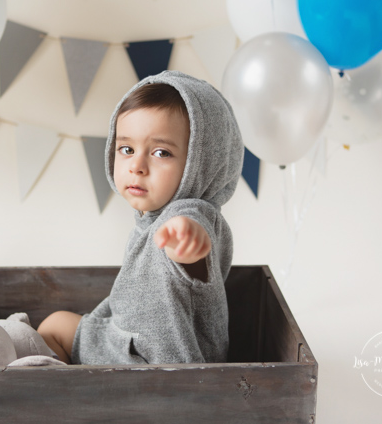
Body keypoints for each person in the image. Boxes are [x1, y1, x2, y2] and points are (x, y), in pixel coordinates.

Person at [37, 70, 244, 365]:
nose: (137, 165)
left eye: (161, 152)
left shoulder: (188, 213)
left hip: (159, 367)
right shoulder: (151, 217)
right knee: (56, 324)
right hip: (131, 344)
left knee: (55, 327)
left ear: (202, 163)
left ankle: (61, 397)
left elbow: (194, 237)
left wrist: (187, 236)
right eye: (126, 149)